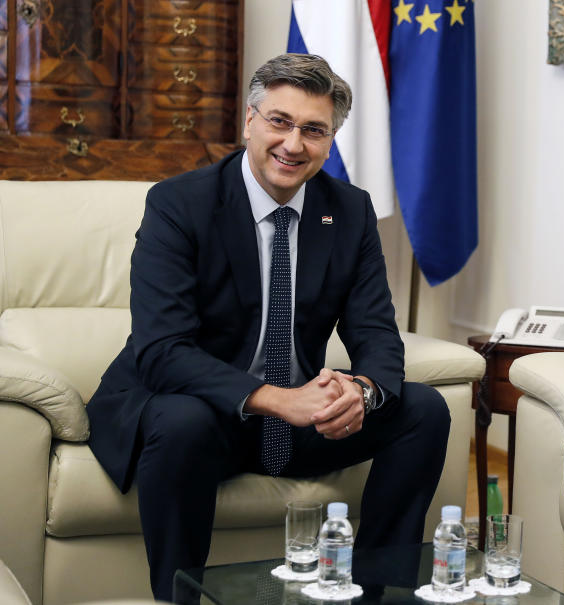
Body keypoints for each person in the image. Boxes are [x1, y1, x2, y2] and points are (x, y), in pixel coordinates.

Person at [85, 53, 450, 601]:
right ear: (249, 121)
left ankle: (374, 591)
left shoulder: (348, 210)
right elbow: (161, 350)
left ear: (330, 141)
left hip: (298, 421)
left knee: (423, 409)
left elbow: (376, 332)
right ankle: (179, 596)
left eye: (313, 130)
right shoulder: (179, 204)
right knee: (183, 420)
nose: (293, 144)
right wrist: (276, 399)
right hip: (203, 412)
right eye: (279, 121)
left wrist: (361, 391)